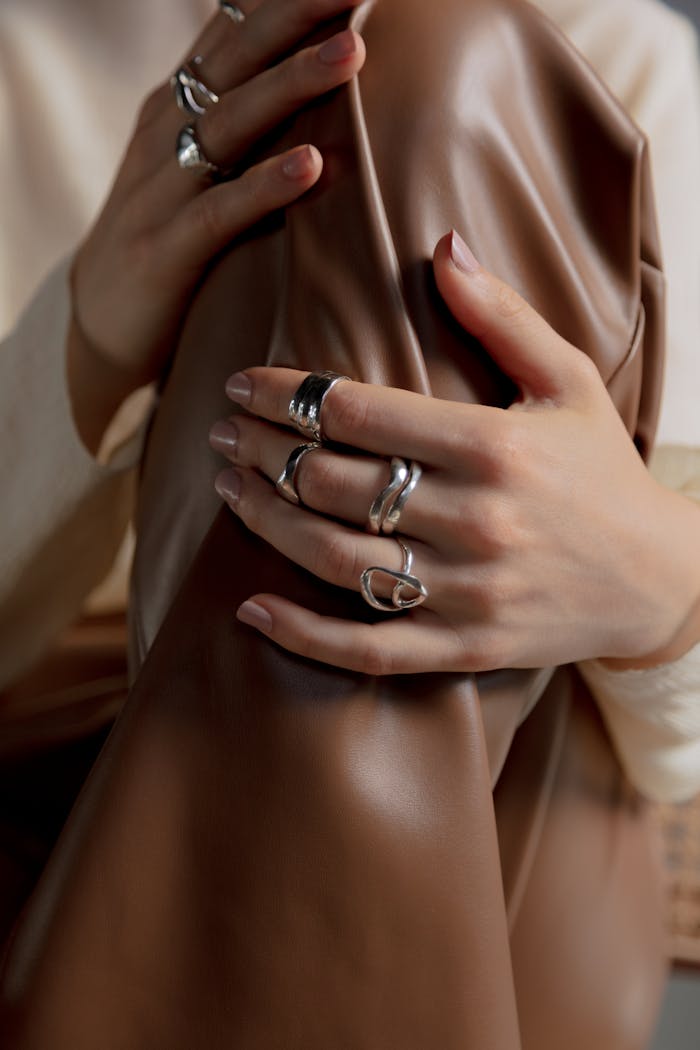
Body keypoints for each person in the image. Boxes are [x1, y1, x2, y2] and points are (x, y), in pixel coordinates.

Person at [0, 0, 698, 804]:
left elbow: (674, 759)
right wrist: (91, 339)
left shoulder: (619, 52)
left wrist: (653, 586)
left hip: (482, 811)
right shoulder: (26, 55)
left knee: (445, 53)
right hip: (66, 782)